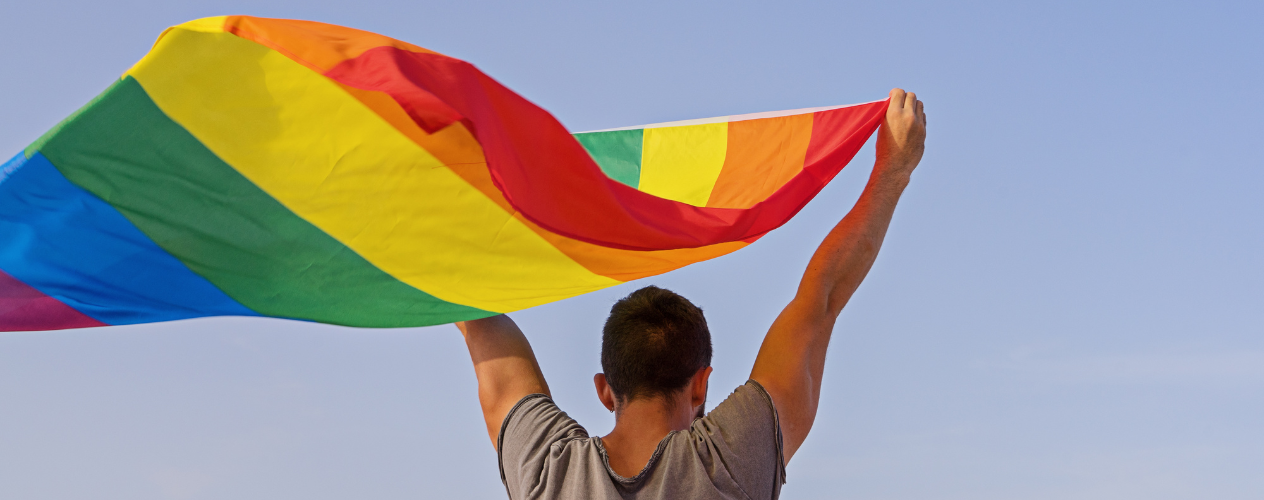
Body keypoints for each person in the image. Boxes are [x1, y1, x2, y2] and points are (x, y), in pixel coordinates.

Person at [456, 88, 927, 500]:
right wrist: (892, 171)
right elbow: (820, 301)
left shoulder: (547, 472)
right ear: (701, 384)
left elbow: (464, 301)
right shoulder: (733, 463)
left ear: (605, 389)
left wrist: (435, 202)